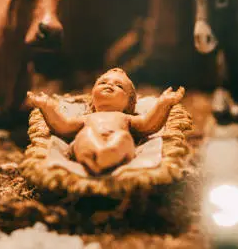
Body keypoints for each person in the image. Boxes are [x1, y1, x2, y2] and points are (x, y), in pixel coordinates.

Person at [27, 68, 185, 175]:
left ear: (129, 104)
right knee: (86, 135)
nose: (109, 84)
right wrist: (46, 106)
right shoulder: (87, 118)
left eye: (119, 86)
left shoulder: (126, 118)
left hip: (117, 147)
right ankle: (101, 157)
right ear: (92, 97)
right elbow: (64, 126)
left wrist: (164, 103)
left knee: (122, 139)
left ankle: (103, 158)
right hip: (89, 144)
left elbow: (148, 124)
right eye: (103, 82)